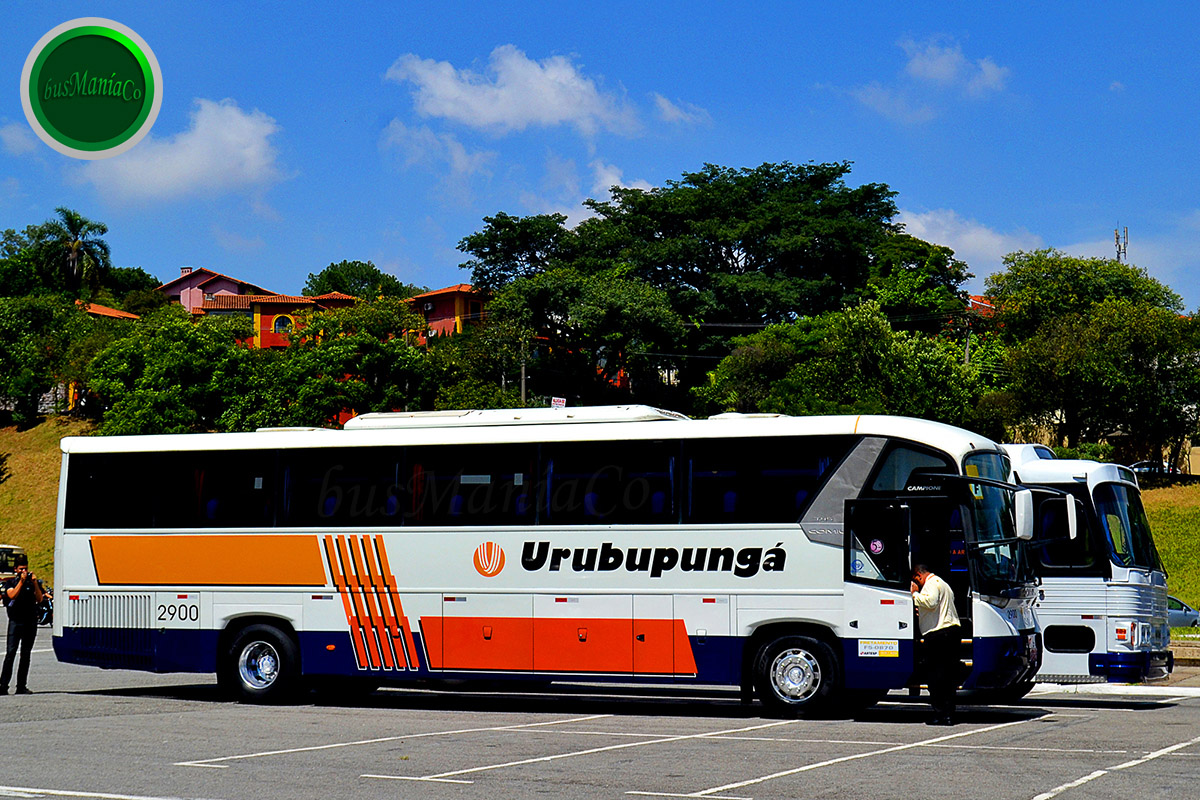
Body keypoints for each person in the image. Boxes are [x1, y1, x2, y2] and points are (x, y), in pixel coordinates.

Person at [911, 563, 961, 725]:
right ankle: (949, 713)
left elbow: (931, 602)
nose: (917, 583)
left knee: (936, 677)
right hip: (952, 633)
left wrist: (914, 595)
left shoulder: (930, 584)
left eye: (916, 580)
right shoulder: (943, 583)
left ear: (919, 575)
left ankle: (940, 714)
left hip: (938, 635)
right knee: (948, 677)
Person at [2, 554, 45, 695]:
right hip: (15, 621)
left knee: (25, 654)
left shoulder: (32, 583)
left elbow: (39, 599)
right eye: (21, 569)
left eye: (25, 569)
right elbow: (12, 595)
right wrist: (20, 582)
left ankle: (21, 685)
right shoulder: (10, 583)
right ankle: (3, 686)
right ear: (16, 569)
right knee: (10, 653)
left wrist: (34, 583)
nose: (24, 572)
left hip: (30, 622)